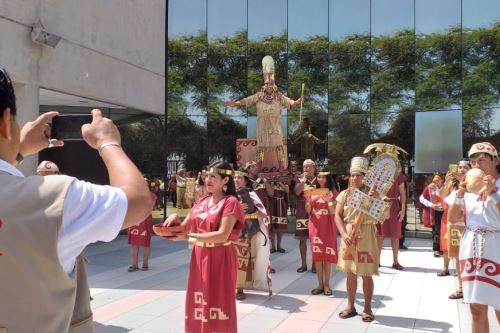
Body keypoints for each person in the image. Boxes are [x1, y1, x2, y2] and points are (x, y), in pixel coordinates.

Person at [0, 66, 152, 332]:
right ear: (5, 122)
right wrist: (108, 143)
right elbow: (138, 201)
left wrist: (15, 151)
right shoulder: (54, 198)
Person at [165, 161, 245, 333]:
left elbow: (223, 234)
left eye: (213, 177)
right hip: (199, 256)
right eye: (206, 176)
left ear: (225, 181)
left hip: (221, 257)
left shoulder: (230, 202)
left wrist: (189, 237)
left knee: (219, 303)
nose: (207, 180)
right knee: (199, 301)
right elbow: (184, 228)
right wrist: (173, 220)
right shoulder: (201, 202)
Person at [448, 142, 500, 333]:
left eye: (482, 160)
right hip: (471, 246)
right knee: (476, 309)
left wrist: (493, 193)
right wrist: (460, 195)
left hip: (496, 245)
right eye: (473, 161)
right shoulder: (468, 189)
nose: (477, 165)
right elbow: (453, 219)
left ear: (496, 161)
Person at [226, 56, 304, 171]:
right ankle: (258, 169)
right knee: (260, 147)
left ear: (274, 85)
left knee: (279, 146)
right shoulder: (259, 95)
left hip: (275, 124)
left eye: (271, 84)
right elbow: (247, 100)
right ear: (264, 85)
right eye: (267, 84)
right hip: (262, 125)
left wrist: (297, 101)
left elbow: (289, 101)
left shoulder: (279, 96)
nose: (269, 85)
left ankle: (282, 168)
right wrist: (235, 103)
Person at [335, 157, 384, 323]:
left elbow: (385, 215)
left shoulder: (373, 193)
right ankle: (350, 305)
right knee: (350, 272)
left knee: (366, 273)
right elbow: (337, 215)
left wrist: (377, 198)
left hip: (367, 234)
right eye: (353, 175)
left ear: (364, 176)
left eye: (359, 175)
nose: (355, 178)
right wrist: (343, 233)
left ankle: (368, 308)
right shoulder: (345, 194)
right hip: (349, 234)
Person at [233, 169, 272, 300]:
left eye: (239, 177)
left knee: (245, 259)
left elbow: (262, 213)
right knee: (232, 259)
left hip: (248, 230)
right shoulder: (227, 195)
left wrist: (250, 212)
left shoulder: (251, 194)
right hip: (231, 230)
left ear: (245, 180)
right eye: (235, 177)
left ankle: (240, 288)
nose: (236, 179)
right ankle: (233, 286)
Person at [438, 159, 470, 300]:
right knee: (457, 256)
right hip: (455, 225)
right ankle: (461, 288)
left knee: (469, 257)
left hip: (469, 224)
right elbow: (442, 197)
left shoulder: (475, 183)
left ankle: (471, 287)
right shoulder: (453, 184)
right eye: (460, 167)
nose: (462, 169)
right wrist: (447, 181)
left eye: (465, 167)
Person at [305, 169, 338, 296]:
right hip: (315, 225)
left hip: (328, 225)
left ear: (328, 179)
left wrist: (329, 199)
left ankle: (327, 284)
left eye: (323, 177)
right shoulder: (312, 192)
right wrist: (308, 200)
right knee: (317, 256)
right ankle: (319, 284)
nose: (321, 179)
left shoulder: (334, 192)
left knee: (327, 256)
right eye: (319, 177)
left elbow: (333, 212)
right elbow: (308, 210)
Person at [377, 170, 406, 270]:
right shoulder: (377, 172)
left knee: (395, 235)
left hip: (394, 206)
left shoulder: (398, 174)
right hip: (379, 205)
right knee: (379, 235)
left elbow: (402, 192)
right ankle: (377, 262)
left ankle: (395, 261)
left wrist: (403, 210)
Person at [128, 181, 157, 272]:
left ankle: (145, 263)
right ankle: (134, 264)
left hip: (145, 220)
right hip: (135, 220)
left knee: (145, 243)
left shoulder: (151, 195)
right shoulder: (133, 194)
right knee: (134, 244)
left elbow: (153, 208)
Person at [294, 159, 317, 273]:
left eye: (309, 166)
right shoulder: (299, 178)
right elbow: (297, 192)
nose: (307, 169)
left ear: (314, 167)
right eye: (305, 167)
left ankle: (315, 264)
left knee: (315, 239)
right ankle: (303, 265)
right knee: (302, 239)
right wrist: (302, 182)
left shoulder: (319, 179)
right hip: (302, 211)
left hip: (316, 212)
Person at [420, 173, 445, 257]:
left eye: (438, 179)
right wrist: (431, 204)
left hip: (445, 211)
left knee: (444, 231)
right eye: (435, 179)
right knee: (436, 231)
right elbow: (421, 199)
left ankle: (443, 248)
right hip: (435, 211)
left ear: (442, 179)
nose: (436, 181)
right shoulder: (429, 187)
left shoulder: (446, 188)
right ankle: (436, 249)